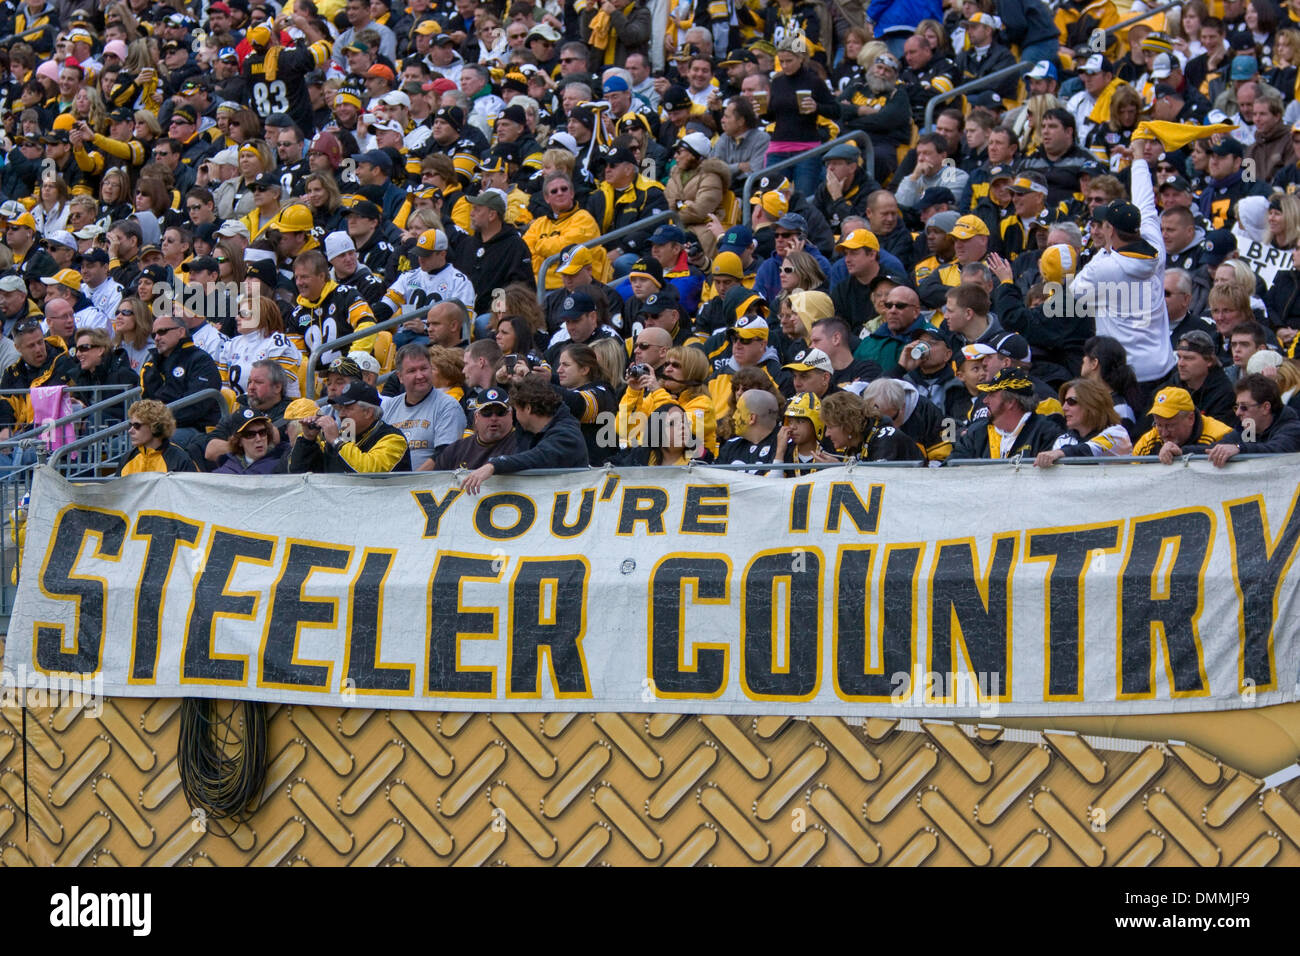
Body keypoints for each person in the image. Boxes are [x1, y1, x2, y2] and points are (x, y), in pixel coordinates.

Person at [459, 375, 589, 493]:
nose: (515, 415)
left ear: (528, 408)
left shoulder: (567, 434)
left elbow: (538, 456)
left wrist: (494, 465)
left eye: (516, 409)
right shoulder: (528, 429)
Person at [288, 380, 412, 473]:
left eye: (348, 408)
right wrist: (307, 440)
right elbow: (297, 472)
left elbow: (369, 472)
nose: (341, 415)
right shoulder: (342, 436)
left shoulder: (394, 439)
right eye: (340, 408)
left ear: (368, 412)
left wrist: (337, 442)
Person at [382, 343, 469, 470]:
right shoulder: (388, 407)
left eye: (424, 368)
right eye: (412, 371)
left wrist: (410, 481)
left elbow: (445, 455)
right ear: (400, 377)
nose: (420, 376)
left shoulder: (448, 406)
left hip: (429, 485)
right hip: (391, 485)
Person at [140, 311, 222, 443]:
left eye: (162, 331)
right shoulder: (152, 364)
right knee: (117, 444)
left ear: (181, 332)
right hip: (160, 426)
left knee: (152, 441)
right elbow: (147, 399)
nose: (156, 338)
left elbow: (197, 405)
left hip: (197, 428)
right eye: (153, 334)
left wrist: (159, 421)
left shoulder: (200, 360)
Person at [950, 367, 1065, 459]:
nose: (985, 400)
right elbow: (949, 468)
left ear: (1010, 402)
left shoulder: (1046, 433)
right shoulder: (976, 433)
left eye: (992, 395)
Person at [1034, 378, 1133, 466]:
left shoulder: (1117, 434)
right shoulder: (1063, 440)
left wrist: (1060, 452)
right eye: (1064, 402)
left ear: (1092, 404)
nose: (1064, 408)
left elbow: (1090, 451)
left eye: (1071, 401)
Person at [1210, 373, 1300, 464]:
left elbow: (1275, 450)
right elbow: (1212, 449)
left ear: (1265, 407)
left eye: (1244, 407)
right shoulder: (1247, 430)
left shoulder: (1293, 429)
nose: (1238, 413)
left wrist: (1239, 448)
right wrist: (1195, 450)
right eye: (1237, 407)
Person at [1132, 386, 1236, 462]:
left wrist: (1182, 452)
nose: (1164, 433)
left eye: (1170, 425)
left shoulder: (1220, 435)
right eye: (1159, 425)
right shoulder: (1147, 443)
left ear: (1190, 418)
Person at [431, 387, 519, 470]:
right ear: (476, 417)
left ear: (511, 415)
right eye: (487, 413)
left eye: (500, 412)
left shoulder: (522, 444)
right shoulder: (455, 450)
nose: (493, 418)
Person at [116, 399, 198, 474]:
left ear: (155, 426)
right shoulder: (127, 459)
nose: (130, 431)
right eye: (130, 425)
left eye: (136, 425)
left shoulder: (180, 459)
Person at [715, 387, 782, 474]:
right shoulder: (730, 446)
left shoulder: (783, 445)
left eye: (738, 411)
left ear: (752, 418)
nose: (734, 416)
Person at [213, 413, 289, 474]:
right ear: (239, 441)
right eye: (250, 435)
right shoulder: (228, 469)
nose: (258, 439)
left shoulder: (284, 461)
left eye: (262, 432)